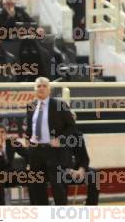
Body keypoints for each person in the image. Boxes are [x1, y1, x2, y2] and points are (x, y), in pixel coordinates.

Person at [25, 77, 76, 205]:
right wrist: (27, 138)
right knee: (37, 186)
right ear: (34, 89)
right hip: (35, 151)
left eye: (44, 86)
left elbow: (71, 126)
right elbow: (31, 126)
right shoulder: (31, 106)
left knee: (57, 185)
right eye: (39, 86)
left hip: (53, 151)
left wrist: (60, 139)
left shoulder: (59, 105)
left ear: (49, 89)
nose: (41, 88)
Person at [60, 112, 100, 205]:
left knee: (95, 174)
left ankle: (91, 206)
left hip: (77, 170)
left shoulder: (78, 136)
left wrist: (81, 170)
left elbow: (85, 158)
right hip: (60, 169)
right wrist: (68, 170)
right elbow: (54, 159)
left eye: (73, 119)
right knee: (60, 176)